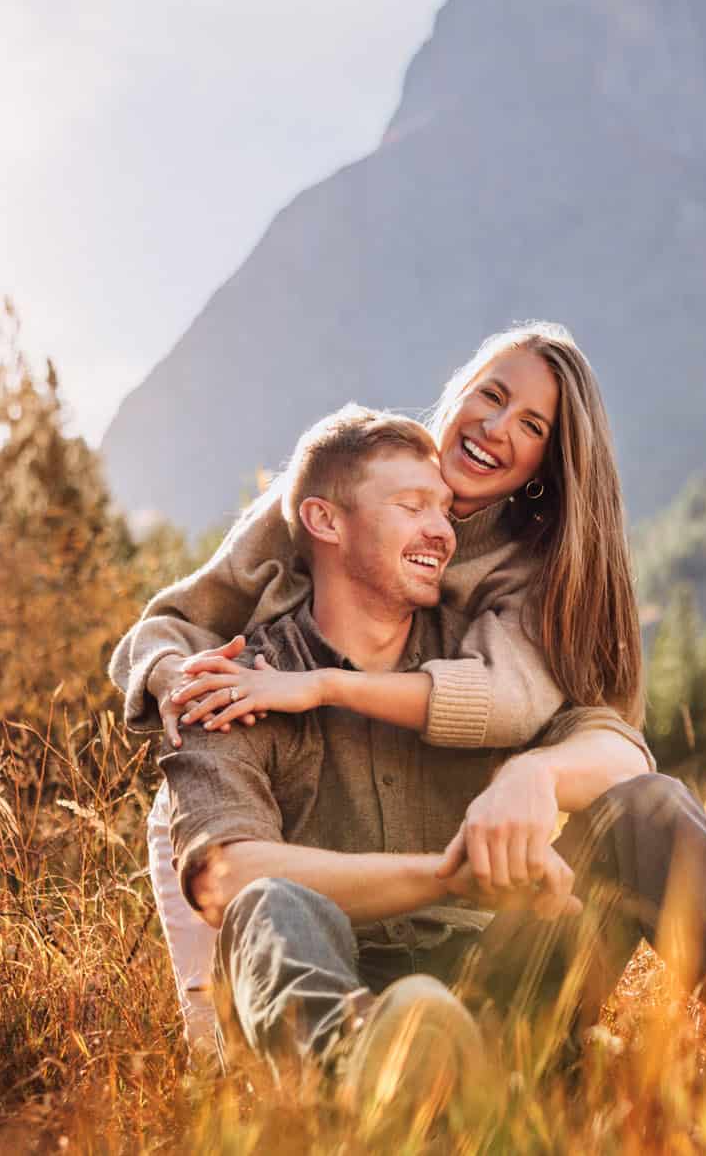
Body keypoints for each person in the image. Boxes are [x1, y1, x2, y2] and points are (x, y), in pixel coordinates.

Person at [158, 405, 706, 1122]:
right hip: (343, 995)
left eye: (443, 508)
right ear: (325, 521)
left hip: (505, 985)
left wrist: (536, 773)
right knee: (271, 904)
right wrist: (444, 876)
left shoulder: (489, 660)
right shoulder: (232, 681)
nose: (442, 530)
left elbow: (622, 753)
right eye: (412, 505)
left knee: (647, 804)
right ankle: (385, 1083)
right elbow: (224, 878)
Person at [110, 322, 643, 1048]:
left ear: (546, 466)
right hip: (253, 802)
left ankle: (447, 1053)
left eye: (531, 425)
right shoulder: (345, 478)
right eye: (491, 396)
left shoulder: (529, 573)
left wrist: (325, 687)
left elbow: (515, 705)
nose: (496, 428)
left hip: (434, 899)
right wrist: (184, 676)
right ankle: (343, 1055)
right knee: (236, 1008)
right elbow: (180, 618)